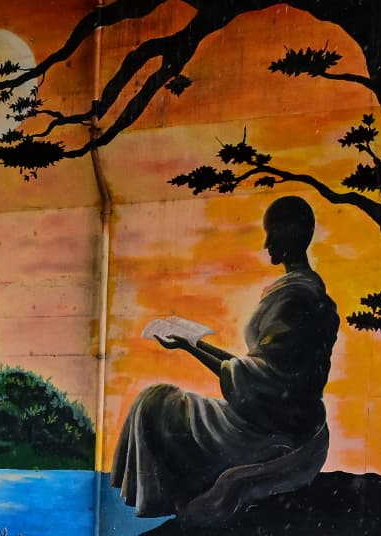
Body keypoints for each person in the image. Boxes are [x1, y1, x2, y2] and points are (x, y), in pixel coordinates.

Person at [110, 195, 340, 519]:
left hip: (270, 426)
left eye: (272, 232)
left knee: (156, 404)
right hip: (270, 413)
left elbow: (262, 379)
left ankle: (177, 506)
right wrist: (191, 345)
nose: (267, 244)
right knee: (158, 400)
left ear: (294, 231)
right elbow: (257, 371)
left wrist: (193, 348)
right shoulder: (299, 293)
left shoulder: (297, 299)